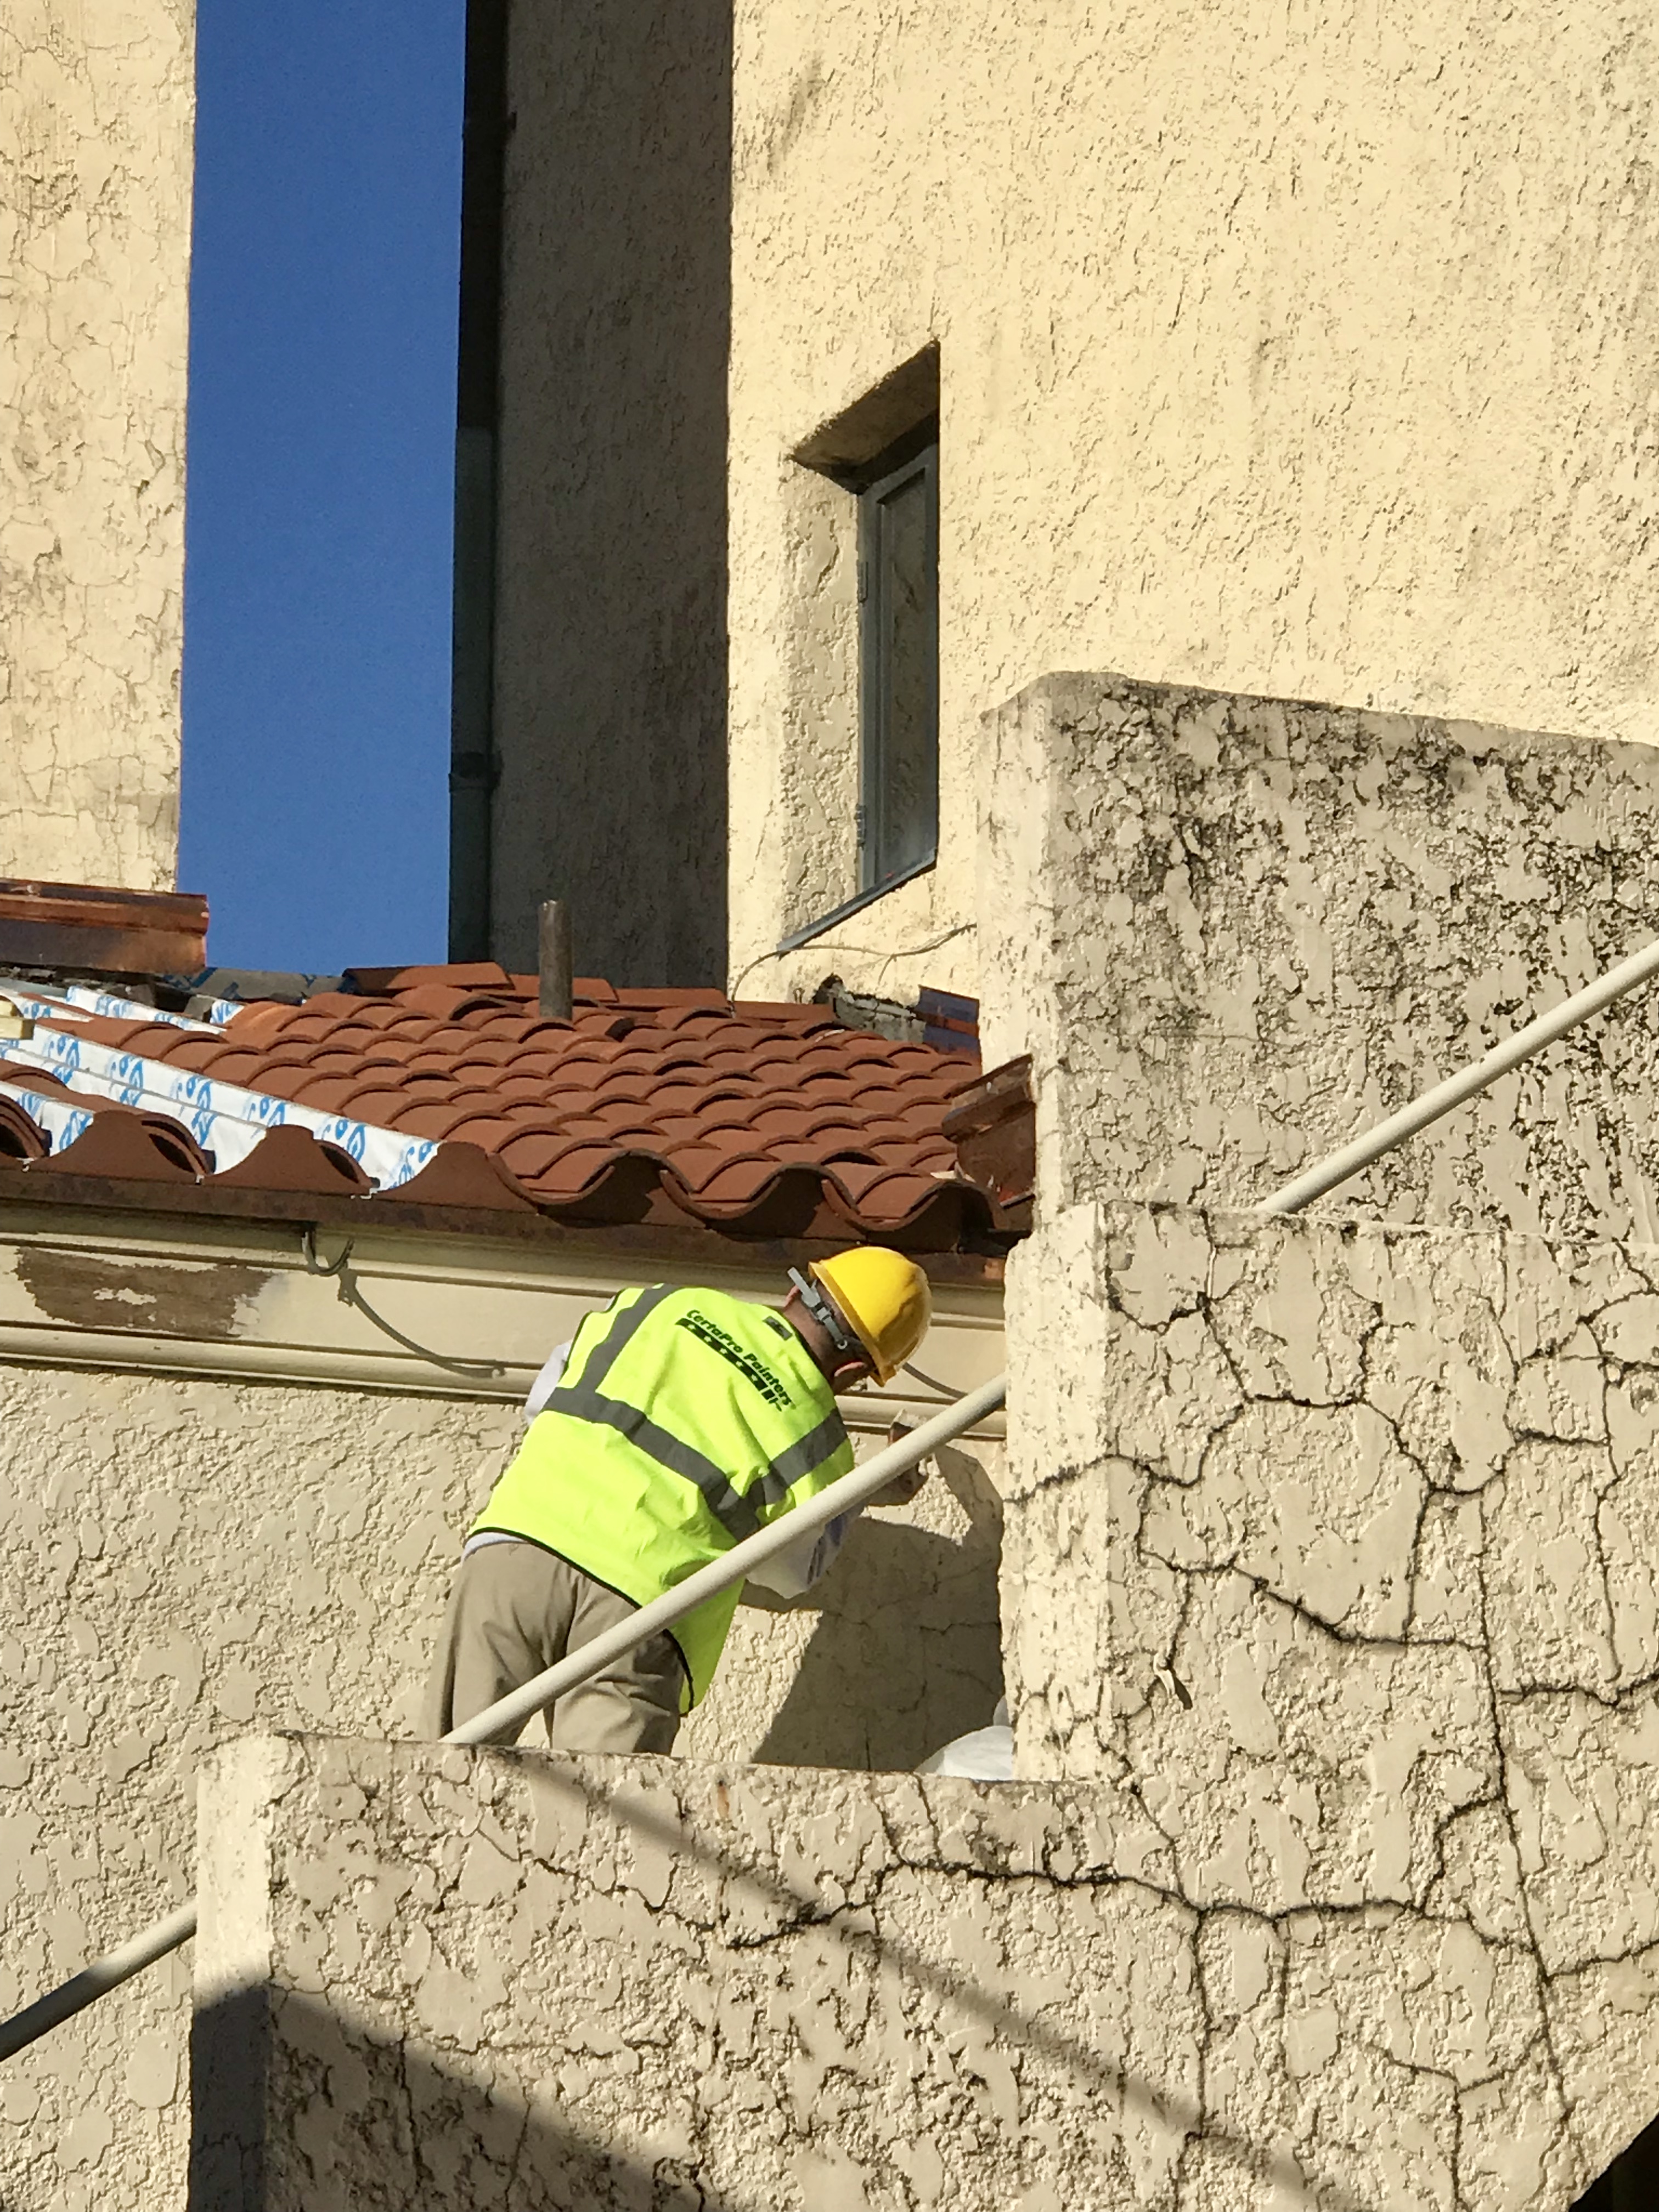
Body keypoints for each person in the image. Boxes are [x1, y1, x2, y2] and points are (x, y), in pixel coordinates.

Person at [423, 1248, 935, 1754]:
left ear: (794, 1292)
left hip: (520, 1549)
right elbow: (790, 1569)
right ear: (852, 1370)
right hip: (643, 1612)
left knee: (440, 1771)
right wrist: (866, 1490)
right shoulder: (819, 1438)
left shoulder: (664, 1305)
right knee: (599, 1803)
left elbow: (547, 1399)